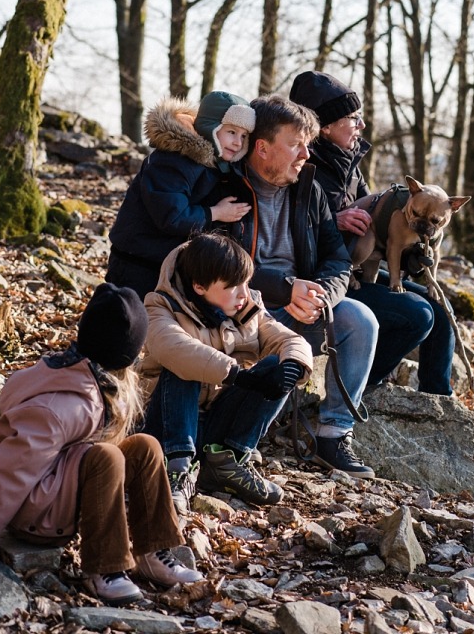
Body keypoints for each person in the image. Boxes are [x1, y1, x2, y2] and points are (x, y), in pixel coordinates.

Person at [0, 284, 204, 603]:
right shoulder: (60, 409)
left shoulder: (84, 372)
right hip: (37, 517)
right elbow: (8, 477)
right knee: (106, 456)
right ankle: (105, 568)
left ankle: (153, 552)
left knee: (144, 446)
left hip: (62, 489)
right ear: (124, 354)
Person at [212, 94, 378, 477]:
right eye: (296, 144)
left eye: (307, 143)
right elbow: (216, 259)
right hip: (245, 307)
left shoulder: (309, 189)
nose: (306, 154)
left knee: (360, 320)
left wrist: (319, 295)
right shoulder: (223, 187)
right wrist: (288, 289)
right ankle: (235, 450)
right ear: (263, 148)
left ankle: (332, 435)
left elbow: (336, 259)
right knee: (286, 344)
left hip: (301, 302)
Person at [289, 70, 454, 396]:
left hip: (363, 269)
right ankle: (359, 389)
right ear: (325, 126)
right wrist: (334, 220)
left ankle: (440, 403)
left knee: (441, 313)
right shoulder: (302, 166)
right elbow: (291, 229)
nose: (361, 125)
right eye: (353, 118)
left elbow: (376, 223)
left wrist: (412, 249)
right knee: (417, 315)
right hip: (327, 279)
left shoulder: (349, 160)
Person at [141, 233, 314, 509]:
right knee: (185, 366)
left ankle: (229, 460)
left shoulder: (246, 309)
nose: (244, 294)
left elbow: (290, 340)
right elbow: (173, 348)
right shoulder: (160, 307)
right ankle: (177, 471)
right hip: (167, 425)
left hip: (215, 426)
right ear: (199, 286)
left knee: (278, 366)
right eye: (234, 286)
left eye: (246, 283)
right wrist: (237, 374)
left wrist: (293, 367)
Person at [106, 91, 256, 297]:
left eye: (244, 136)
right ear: (211, 127)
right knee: (129, 317)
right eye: (231, 132)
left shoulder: (216, 165)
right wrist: (215, 213)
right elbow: (171, 216)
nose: (238, 142)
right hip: (136, 260)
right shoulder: (174, 160)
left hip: (164, 262)